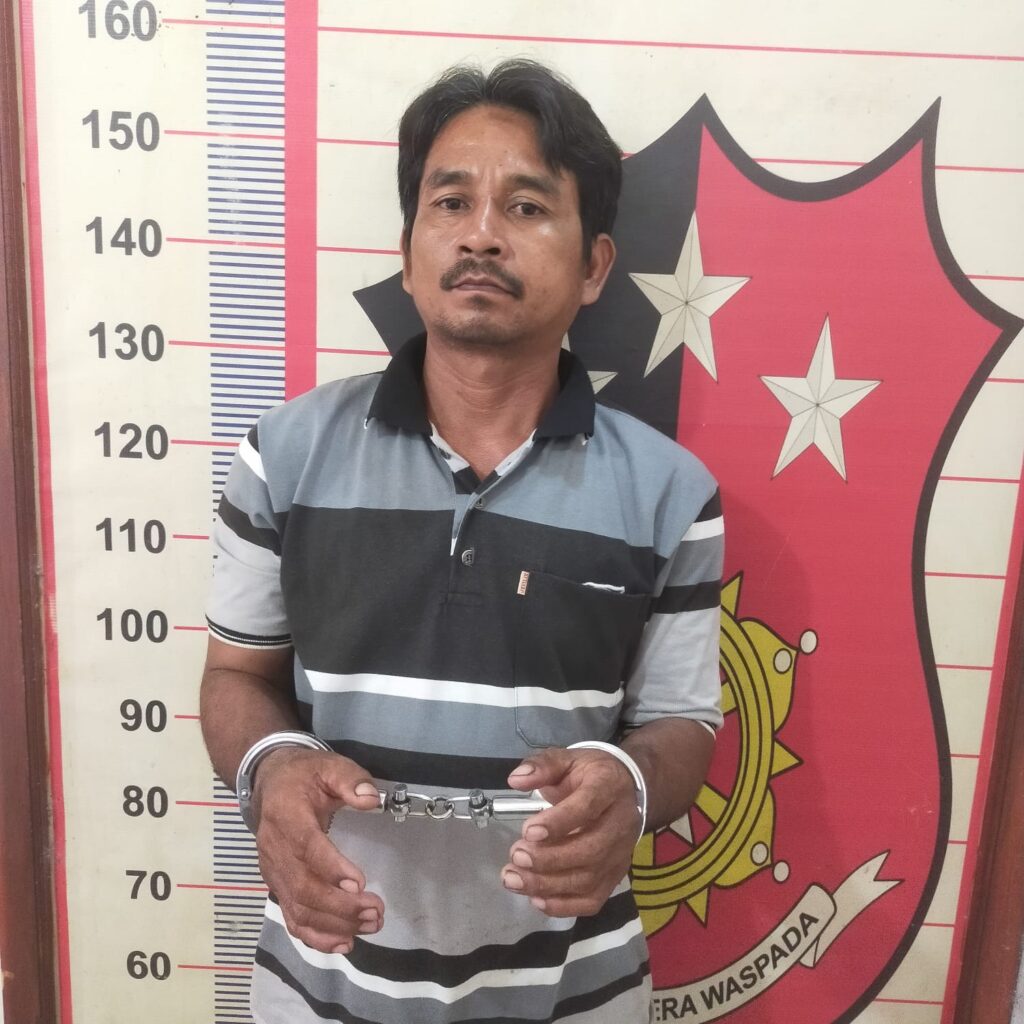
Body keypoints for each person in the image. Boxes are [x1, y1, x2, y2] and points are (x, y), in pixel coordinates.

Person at [201, 59, 723, 1024]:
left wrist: (632, 781)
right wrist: (270, 766)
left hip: (576, 995)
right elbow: (237, 676)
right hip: (321, 991)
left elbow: (683, 723)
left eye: (527, 206)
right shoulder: (284, 457)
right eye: (450, 202)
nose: (482, 233)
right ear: (408, 253)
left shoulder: (672, 493)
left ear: (594, 265)